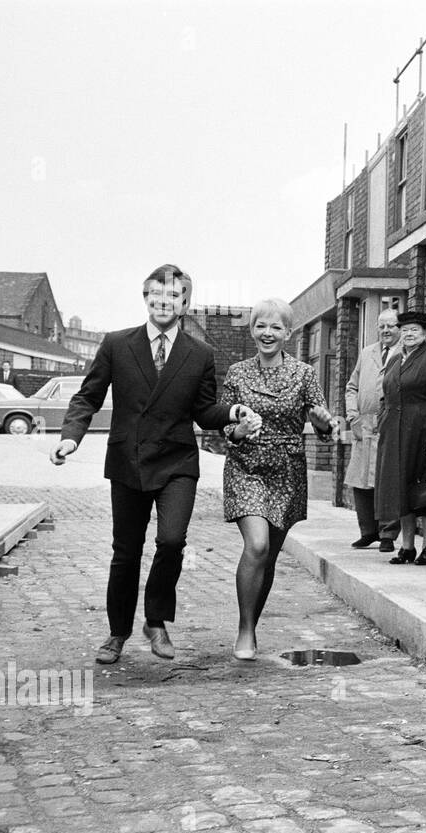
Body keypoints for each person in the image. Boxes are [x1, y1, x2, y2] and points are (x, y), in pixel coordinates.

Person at [52, 263, 253, 664]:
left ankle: (156, 621)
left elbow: (204, 411)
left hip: (177, 461)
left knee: (172, 541)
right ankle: (117, 633)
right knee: (126, 551)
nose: (164, 302)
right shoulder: (117, 344)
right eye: (156, 295)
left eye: (173, 296)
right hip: (129, 460)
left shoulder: (200, 353)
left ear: (184, 303)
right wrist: (70, 437)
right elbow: (88, 396)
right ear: (145, 298)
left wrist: (232, 412)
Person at [221, 299, 337, 660]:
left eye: (275, 327)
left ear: (288, 333)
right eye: (261, 326)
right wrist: (238, 430)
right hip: (246, 467)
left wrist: (322, 422)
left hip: (286, 470)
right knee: (256, 546)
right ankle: (244, 629)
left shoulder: (304, 374)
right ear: (252, 330)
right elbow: (222, 424)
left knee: (268, 556)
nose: (267, 333)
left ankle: (252, 624)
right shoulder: (237, 373)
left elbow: (324, 424)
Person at [374, 311, 426, 565]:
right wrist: (382, 420)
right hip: (393, 433)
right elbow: (386, 395)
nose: (408, 334)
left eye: (414, 330)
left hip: (420, 432)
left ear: (425, 332)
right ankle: (407, 547)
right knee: (400, 489)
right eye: (404, 330)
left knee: (423, 489)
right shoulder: (395, 359)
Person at [344, 308, 401, 551]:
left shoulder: (405, 351)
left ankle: (387, 533)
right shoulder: (367, 352)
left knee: (386, 481)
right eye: (382, 326)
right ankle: (367, 531)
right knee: (360, 480)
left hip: (390, 423)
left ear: (399, 328)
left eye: (391, 326)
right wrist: (352, 415)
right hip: (363, 424)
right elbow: (352, 387)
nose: (386, 330)